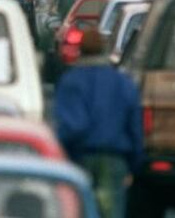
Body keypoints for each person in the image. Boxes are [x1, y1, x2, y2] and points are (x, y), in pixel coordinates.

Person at [55, 29, 143, 218]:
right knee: (111, 212)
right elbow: (135, 126)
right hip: (115, 158)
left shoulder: (71, 81)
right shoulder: (122, 82)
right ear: (105, 50)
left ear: (81, 50)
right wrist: (134, 163)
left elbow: (71, 126)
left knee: (80, 210)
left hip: (80, 158)